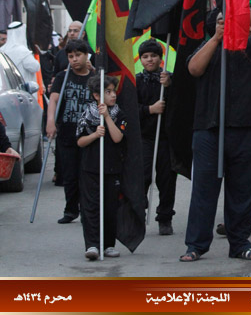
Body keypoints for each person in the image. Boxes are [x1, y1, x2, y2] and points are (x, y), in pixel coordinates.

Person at [180, 8, 251, 262]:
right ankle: (196, 245)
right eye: (222, 20)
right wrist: (217, 37)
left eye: (232, 20)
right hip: (209, 130)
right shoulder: (209, 46)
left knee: (243, 192)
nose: (227, 24)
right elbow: (194, 69)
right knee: (203, 191)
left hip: (249, 129)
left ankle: (240, 243)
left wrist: (240, 3)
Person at [77, 74, 127, 260]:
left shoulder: (119, 114)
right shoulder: (87, 114)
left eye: (114, 91)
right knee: (91, 207)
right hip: (90, 168)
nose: (113, 95)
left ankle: (108, 245)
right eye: (108, 92)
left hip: (112, 168)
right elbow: (80, 141)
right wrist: (94, 135)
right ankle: (92, 245)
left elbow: (117, 137)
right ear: (97, 95)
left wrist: (106, 117)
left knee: (110, 208)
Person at [46, 39, 92, 223]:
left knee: (87, 174)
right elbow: (54, 100)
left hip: (89, 134)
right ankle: (71, 210)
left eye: (78, 55)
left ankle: (87, 210)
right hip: (67, 132)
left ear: (86, 55)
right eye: (71, 56)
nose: (74, 59)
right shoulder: (62, 77)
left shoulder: (94, 77)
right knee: (70, 174)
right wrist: (50, 121)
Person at [135, 38, 176, 235]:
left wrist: (169, 86)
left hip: (166, 138)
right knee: (141, 176)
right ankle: (138, 213)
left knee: (167, 179)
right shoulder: (136, 81)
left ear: (161, 58)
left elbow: (181, 104)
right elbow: (130, 109)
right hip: (144, 137)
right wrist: (149, 109)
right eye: (145, 56)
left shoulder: (169, 79)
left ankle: (165, 217)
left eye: (153, 56)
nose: (149, 60)